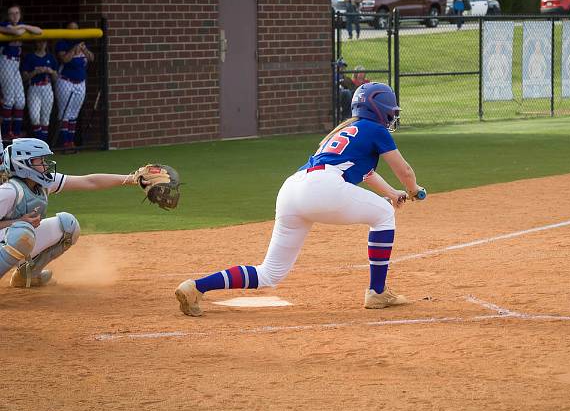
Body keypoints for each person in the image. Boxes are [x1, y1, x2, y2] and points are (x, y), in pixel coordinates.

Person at [175, 82, 426, 317]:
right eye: (390, 111)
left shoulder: (343, 131)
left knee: (269, 273)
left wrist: (393, 193)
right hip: (322, 188)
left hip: (292, 189)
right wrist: (413, 189)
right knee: (383, 214)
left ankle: (195, 287)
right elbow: (404, 170)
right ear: (379, 110)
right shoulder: (375, 129)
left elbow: (366, 172)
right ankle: (377, 292)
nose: (392, 116)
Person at [0, 138, 149, 288]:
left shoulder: (43, 183)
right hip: (10, 241)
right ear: (23, 164)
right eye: (40, 161)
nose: (45, 164)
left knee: (68, 226)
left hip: (11, 242)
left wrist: (133, 179)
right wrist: (18, 222)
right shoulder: (9, 191)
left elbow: (89, 181)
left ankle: (27, 275)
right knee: (22, 233)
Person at [0, 5, 43, 143]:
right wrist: (20, 29)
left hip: (15, 64)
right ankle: (7, 132)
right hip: (5, 62)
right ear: (7, 15)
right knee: (9, 99)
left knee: (20, 101)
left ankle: (16, 132)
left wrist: (24, 26)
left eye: (17, 13)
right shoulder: (4, 24)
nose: (14, 16)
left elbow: (39, 31)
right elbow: (17, 33)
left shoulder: (21, 25)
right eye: (11, 13)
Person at [55, 21, 94, 150]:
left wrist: (84, 49)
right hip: (65, 81)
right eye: (71, 30)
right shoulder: (62, 43)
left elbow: (91, 58)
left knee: (74, 113)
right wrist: (74, 49)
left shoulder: (82, 44)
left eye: (76, 30)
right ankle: (64, 142)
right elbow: (64, 59)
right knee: (64, 113)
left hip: (80, 83)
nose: (74, 32)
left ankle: (70, 142)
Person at [21, 40, 57, 143]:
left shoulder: (50, 57)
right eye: (39, 42)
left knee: (45, 119)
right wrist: (35, 72)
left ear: (46, 44)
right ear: (36, 43)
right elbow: (24, 77)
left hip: (47, 88)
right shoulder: (30, 57)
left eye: (44, 42)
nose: (41, 44)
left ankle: (42, 146)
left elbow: (56, 77)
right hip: (34, 88)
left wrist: (51, 71)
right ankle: (40, 143)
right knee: (34, 117)